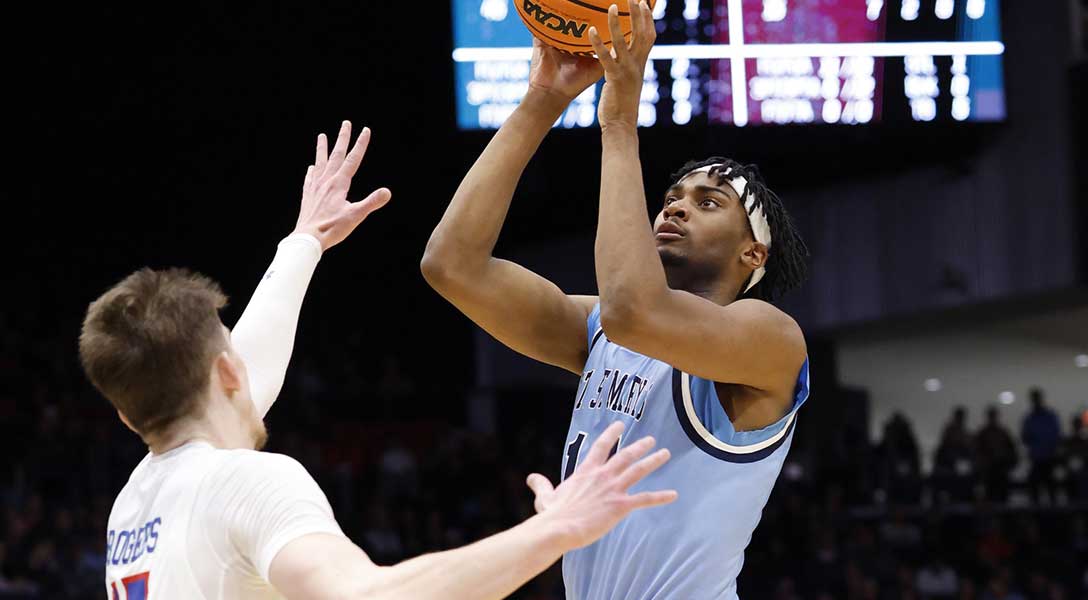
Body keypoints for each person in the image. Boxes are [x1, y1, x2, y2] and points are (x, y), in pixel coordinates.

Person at [81, 122, 675, 599]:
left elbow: (238, 379)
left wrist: (304, 241)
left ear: (128, 416)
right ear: (225, 371)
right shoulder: (249, 483)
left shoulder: (135, 503)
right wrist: (554, 530)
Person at [421, 2, 811, 597]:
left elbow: (634, 310)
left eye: (708, 203)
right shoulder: (602, 325)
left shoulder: (769, 337)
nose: (675, 206)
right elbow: (452, 265)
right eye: (673, 195)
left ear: (752, 255)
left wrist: (619, 123)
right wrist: (541, 103)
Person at [1020, 388, 1061, 505]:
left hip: (1046, 458)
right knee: (1038, 490)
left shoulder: (1046, 417)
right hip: (1039, 458)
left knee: (1048, 489)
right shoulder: (1032, 418)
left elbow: (1056, 436)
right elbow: (1025, 437)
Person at [975, 407, 1018, 504]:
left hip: (1000, 469)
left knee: (1001, 496)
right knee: (992, 496)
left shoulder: (1000, 432)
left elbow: (1012, 451)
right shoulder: (986, 433)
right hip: (990, 471)